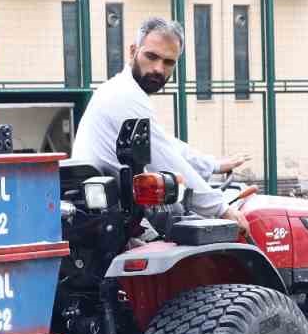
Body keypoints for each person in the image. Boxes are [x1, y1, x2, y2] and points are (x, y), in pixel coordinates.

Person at [74, 17, 252, 237]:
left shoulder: (121, 90)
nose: (158, 68)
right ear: (133, 52)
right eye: (152, 56)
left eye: (168, 62)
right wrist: (221, 209)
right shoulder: (124, 96)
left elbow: (164, 143)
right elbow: (165, 158)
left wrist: (212, 165)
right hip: (113, 222)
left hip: (112, 214)